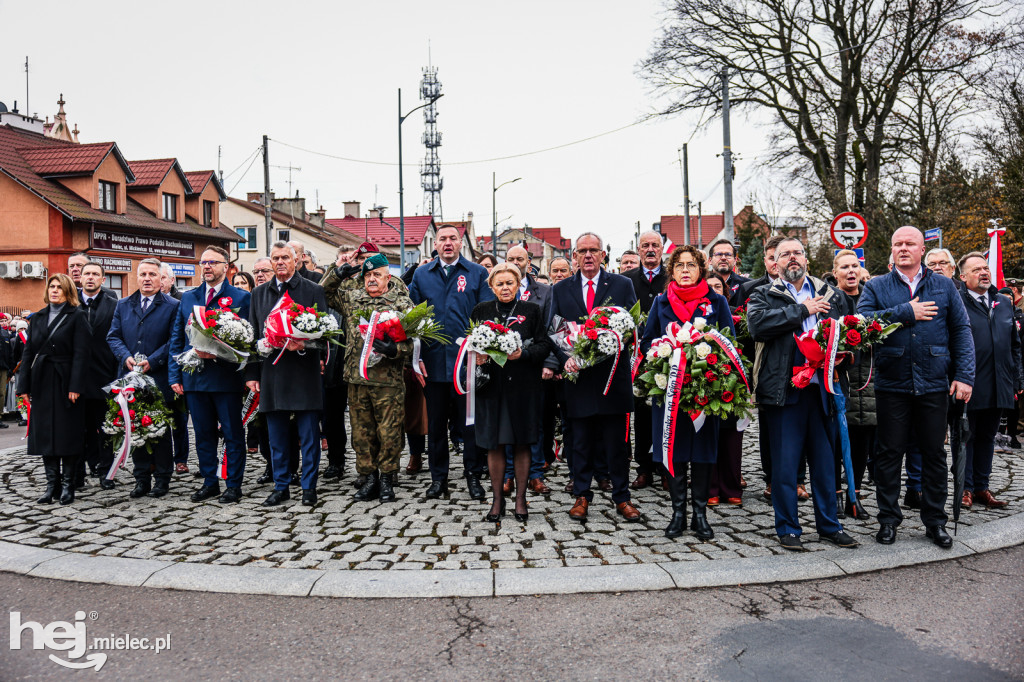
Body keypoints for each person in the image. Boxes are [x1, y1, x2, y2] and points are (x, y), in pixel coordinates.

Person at [858, 226, 975, 549]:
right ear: (891, 251)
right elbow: (862, 324)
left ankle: (935, 521)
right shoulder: (877, 286)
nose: (903, 248)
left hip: (935, 382)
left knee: (934, 454)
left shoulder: (944, 286)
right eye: (898, 244)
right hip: (892, 382)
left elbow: (961, 332)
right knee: (889, 454)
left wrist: (964, 376)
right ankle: (888, 520)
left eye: (910, 244)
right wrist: (905, 313)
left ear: (923, 249)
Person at [748, 237, 859, 551]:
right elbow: (758, 327)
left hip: (823, 390)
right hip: (785, 392)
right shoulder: (763, 294)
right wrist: (801, 310)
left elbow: (849, 334)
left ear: (806, 258)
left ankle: (829, 526)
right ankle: (788, 528)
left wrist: (845, 357)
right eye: (785, 255)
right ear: (776, 263)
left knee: (825, 464)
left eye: (797, 252)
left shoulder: (832, 294)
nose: (792, 258)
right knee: (785, 466)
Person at [641, 246, 735, 539]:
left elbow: (729, 340)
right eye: (679, 265)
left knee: (703, 451)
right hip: (669, 390)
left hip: (703, 389)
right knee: (675, 449)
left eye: (690, 265)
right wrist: (664, 353)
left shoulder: (715, 301)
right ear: (672, 271)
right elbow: (646, 343)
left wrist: (707, 361)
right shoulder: (660, 302)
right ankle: (678, 512)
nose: (684, 270)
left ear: (700, 270)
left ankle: (700, 514)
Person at [549, 232, 641, 522]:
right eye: (582, 251)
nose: (588, 256)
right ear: (574, 256)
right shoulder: (561, 289)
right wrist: (568, 359)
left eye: (594, 250)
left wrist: (610, 344)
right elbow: (554, 328)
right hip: (578, 379)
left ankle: (622, 498)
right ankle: (581, 496)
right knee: (580, 442)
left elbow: (632, 326)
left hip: (613, 377)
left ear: (603, 255)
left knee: (616, 444)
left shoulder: (622, 284)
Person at [410, 224, 494, 500]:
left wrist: (481, 349)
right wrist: (417, 357)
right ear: (435, 244)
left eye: (453, 239)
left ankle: (473, 475)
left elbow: (486, 315)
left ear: (461, 244)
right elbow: (412, 318)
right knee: (435, 427)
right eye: (442, 239)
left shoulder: (477, 273)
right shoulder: (422, 275)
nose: (448, 243)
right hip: (433, 364)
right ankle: (438, 479)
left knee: (469, 424)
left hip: (466, 364)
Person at [247, 242, 329, 507]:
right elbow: (252, 335)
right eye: (275, 258)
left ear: (297, 260)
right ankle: (281, 486)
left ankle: (309, 487)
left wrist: (304, 343)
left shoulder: (313, 290)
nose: (280, 262)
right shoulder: (259, 294)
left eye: (285, 257)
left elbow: (328, 335)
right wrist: (252, 374)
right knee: (277, 437)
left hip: (304, 371)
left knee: (308, 436)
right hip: (272, 372)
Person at [169, 247, 252, 504]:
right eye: (203, 262)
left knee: (232, 433)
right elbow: (177, 337)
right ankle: (209, 482)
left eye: (212, 262)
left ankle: (234, 484)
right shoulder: (188, 297)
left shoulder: (240, 297)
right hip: (194, 379)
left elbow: (248, 340)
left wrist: (217, 354)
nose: (206, 267)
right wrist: (175, 376)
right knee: (203, 434)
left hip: (226, 379)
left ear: (226, 266)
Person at [472, 262, 553, 522]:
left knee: (521, 442)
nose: (505, 288)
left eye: (510, 283)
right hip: (491, 388)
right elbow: (470, 343)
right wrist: (478, 356)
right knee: (494, 444)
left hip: (523, 387)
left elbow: (544, 345)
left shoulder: (532, 310)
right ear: (491, 286)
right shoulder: (481, 310)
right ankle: (497, 501)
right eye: (500, 283)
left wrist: (524, 354)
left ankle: (520, 500)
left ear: (518, 285)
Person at [333, 253, 414, 502]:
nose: (371, 279)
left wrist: (396, 350)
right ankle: (368, 479)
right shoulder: (352, 299)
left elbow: (415, 343)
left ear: (388, 278)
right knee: (361, 434)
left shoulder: (402, 303)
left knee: (389, 433)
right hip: (357, 379)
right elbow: (324, 293)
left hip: (388, 380)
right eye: (367, 275)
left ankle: (387, 479)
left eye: (376, 274)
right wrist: (336, 273)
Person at [107, 259, 181, 499]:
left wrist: (154, 359)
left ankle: (162, 478)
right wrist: (125, 357)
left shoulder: (173, 306)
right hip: (130, 378)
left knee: (159, 430)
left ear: (161, 279)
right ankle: (141, 479)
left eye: (152, 274)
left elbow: (174, 340)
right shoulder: (123, 304)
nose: (147, 278)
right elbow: (113, 336)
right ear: (136, 278)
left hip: (157, 378)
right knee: (135, 427)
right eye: (143, 274)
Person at [16, 274, 90, 505]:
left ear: (68, 292)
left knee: (67, 434)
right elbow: (28, 353)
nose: (55, 290)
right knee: (46, 435)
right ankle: (51, 486)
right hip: (42, 381)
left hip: (66, 382)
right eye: (52, 287)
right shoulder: (37, 317)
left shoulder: (77, 316)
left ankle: (68, 486)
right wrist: (23, 385)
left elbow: (82, 354)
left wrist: (75, 385)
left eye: (59, 287)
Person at [957, 252, 1022, 509]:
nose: (984, 272)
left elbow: (1014, 345)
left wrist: (1016, 379)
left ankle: (982, 487)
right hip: (970, 382)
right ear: (963, 277)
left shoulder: (1003, 302)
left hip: (1000, 382)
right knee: (966, 437)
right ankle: (966, 488)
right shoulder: (958, 302)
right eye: (976, 270)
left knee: (988, 436)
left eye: (985, 268)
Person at [501, 245, 553, 495]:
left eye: (519, 259)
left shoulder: (543, 292)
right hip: (505, 370)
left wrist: (548, 364)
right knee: (508, 421)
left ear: (528, 262)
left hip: (533, 366)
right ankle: (509, 473)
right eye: (510, 258)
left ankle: (535, 473)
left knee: (534, 422)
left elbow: (552, 330)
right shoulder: (497, 292)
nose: (515, 262)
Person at [622, 231, 668, 491]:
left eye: (655, 245)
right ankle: (643, 468)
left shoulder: (671, 278)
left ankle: (666, 467)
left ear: (662, 249)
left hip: (669, 356)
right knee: (641, 413)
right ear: (638, 251)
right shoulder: (626, 280)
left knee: (667, 411)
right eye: (645, 246)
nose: (650, 250)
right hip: (636, 359)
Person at [832, 250, 872, 519]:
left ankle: (854, 498)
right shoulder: (830, 299)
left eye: (854, 265)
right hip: (838, 378)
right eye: (844, 266)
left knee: (861, 443)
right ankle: (834, 497)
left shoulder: (872, 297)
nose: (850, 271)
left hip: (868, 381)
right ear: (835, 272)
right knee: (834, 443)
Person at [78, 263, 119, 490]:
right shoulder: (70, 304)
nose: (91, 277)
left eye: (95, 274)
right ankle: (86, 466)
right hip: (77, 378)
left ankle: (106, 470)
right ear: (80, 278)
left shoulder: (114, 306)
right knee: (82, 428)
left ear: (103, 279)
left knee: (106, 428)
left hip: (105, 375)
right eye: (87, 274)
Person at [707, 239, 750, 306]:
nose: (723, 258)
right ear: (710, 260)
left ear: (735, 260)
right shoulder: (701, 284)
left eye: (728, 255)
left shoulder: (748, 286)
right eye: (719, 254)